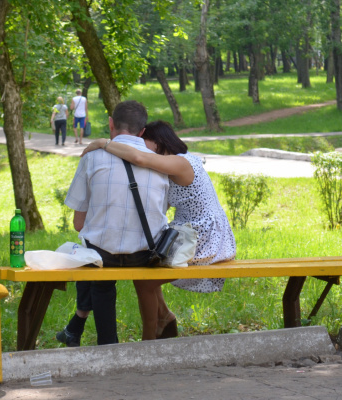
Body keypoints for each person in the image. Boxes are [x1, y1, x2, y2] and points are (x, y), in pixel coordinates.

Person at [81, 120, 236, 340]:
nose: (142, 149)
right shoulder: (173, 165)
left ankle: (149, 339)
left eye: (145, 144)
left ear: (159, 141)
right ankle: (164, 316)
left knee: (144, 279)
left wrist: (103, 143)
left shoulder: (182, 162)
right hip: (191, 233)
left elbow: (139, 158)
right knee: (148, 261)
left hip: (204, 237)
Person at [57, 100, 169, 347]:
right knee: (94, 254)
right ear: (142, 131)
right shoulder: (160, 163)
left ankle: (107, 344)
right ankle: (78, 327)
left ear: (111, 124)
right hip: (145, 254)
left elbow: (78, 223)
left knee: (94, 261)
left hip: (102, 256)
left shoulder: (92, 157)